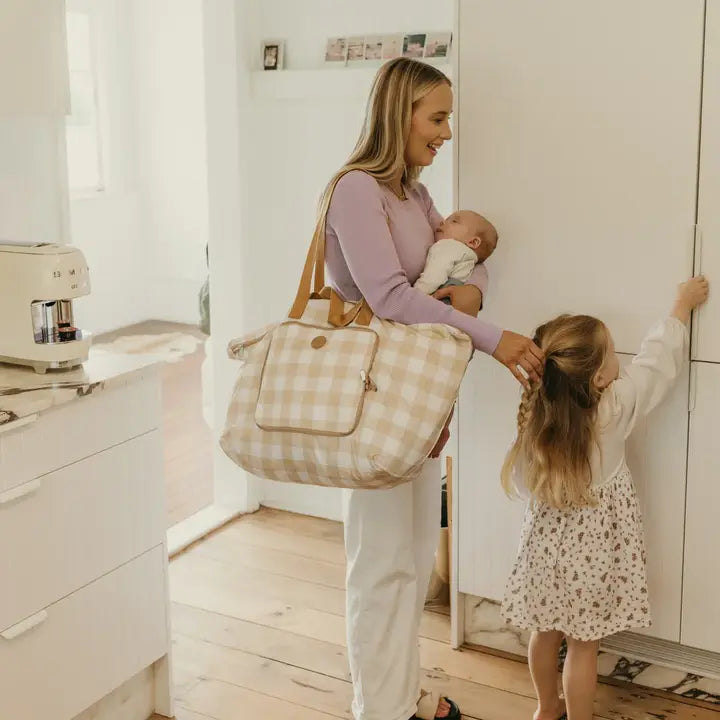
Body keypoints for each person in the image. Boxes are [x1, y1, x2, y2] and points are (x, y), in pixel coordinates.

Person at [320, 56, 543, 720]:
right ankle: (379, 710)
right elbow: (389, 298)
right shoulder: (355, 190)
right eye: (437, 117)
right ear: (399, 114)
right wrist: (489, 333)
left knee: (413, 564)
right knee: (380, 569)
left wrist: (471, 294)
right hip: (375, 401)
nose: (446, 132)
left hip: (417, 402)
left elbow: (457, 272)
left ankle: (400, 694)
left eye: (449, 118)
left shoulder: (414, 197)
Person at [500, 276, 709, 720]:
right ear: (597, 376)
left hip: (544, 555)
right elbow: (656, 364)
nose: (621, 361)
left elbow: (521, 482)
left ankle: (545, 707)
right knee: (583, 647)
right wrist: (682, 306)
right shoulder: (615, 407)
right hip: (592, 560)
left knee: (545, 633)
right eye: (613, 355)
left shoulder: (537, 413)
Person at [414, 210, 498, 298]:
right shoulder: (468, 257)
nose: (442, 222)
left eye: (454, 221)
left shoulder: (448, 246)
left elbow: (433, 278)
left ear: (473, 242)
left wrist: (415, 294)